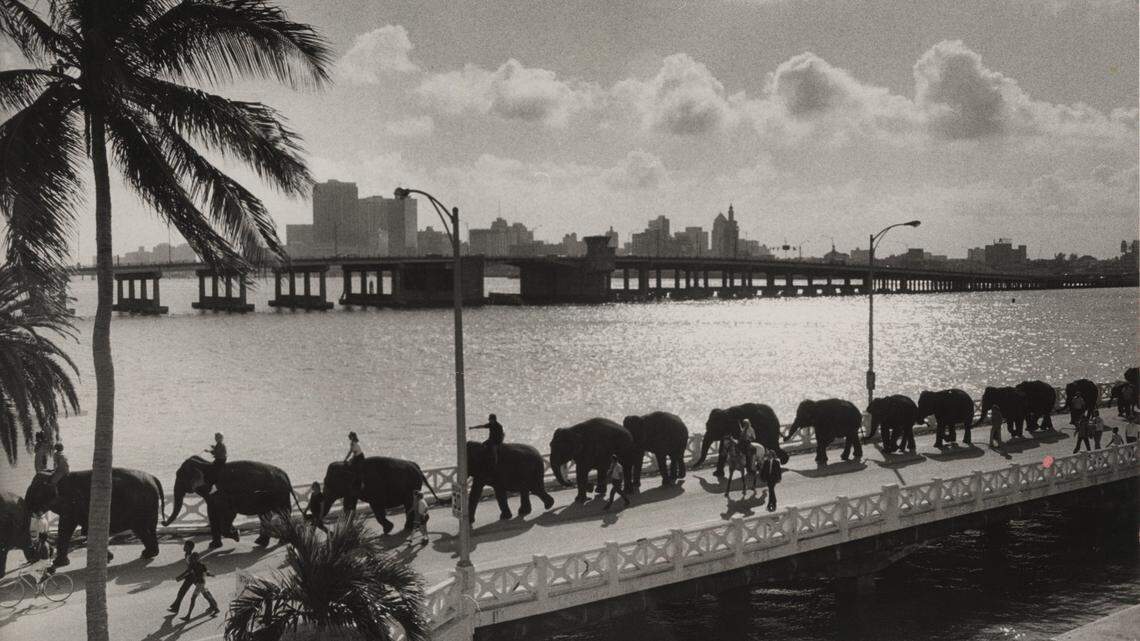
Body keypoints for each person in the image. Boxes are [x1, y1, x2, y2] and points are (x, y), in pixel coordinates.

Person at [176, 552, 219, 620]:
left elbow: (188, 572)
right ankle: (216, 609)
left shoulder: (198, 565)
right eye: (193, 558)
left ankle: (188, 616)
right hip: (200, 582)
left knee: (193, 599)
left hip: (200, 583)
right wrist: (180, 577)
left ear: (197, 558)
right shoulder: (196, 565)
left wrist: (180, 577)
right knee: (206, 595)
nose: (193, 560)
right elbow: (189, 572)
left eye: (194, 558)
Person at [168, 541, 196, 613]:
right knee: (182, 591)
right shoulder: (187, 554)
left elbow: (190, 569)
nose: (184, 547)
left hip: (193, 576)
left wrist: (180, 577)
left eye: (186, 546)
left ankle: (175, 607)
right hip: (191, 576)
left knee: (182, 591)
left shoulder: (191, 557)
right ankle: (175, 606)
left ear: (190, 548)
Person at [758, 447, 782, 512]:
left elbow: (779, 471)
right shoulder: (766, 462)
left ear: (773, 455)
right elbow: (763, 470)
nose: (769, 455)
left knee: (771, 489)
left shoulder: (777, 462)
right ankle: (773, 502)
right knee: (771, 490)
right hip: (768, 478)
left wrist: (779, 478)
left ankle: (770, 503)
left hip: (774, 478)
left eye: (770, 454)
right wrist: (762, 477)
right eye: (768, 454)